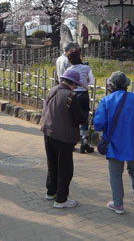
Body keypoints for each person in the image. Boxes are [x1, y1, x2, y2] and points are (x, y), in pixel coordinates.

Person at [93, 71, 134, 214]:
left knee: (115, 174)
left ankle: (118, 204)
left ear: (111, 86)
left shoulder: (106, 101)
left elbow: (98, 124)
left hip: (115, 143)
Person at [41, 69, 87, 208]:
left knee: (52, 164)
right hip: (64, 137)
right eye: (75, 85)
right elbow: (79, 118)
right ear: (72, 83)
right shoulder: (70, 96)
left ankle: (51, 191)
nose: (75, 88)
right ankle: (61, 199)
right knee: (65, 169)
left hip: (48, 132)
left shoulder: (52, 90)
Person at [65, 48, 94, 153]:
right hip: (83, 95)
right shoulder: (86, 68)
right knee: (84, 118)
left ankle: (71, 142)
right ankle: (84, 143)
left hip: (72, 95)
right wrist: (85, 81)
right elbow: (92, 82)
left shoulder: (68, 70)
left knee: (72, 118)